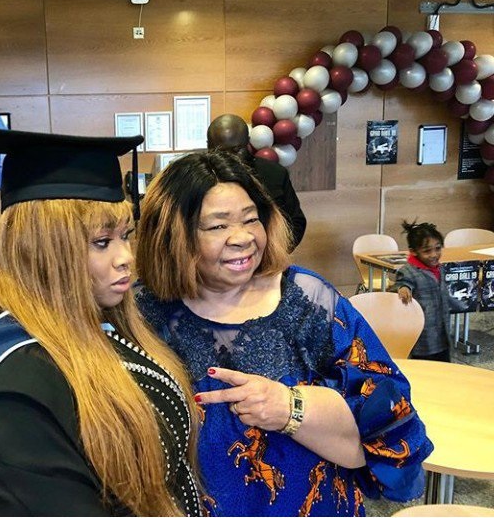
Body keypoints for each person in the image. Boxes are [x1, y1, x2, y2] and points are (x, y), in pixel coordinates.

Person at [0, 129, 201, 517]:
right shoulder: (15, 400)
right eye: (102, 242)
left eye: (126, 236)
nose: (126, 257)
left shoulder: (97, 325)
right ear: (43, 251)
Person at [135, 149, 433, 517]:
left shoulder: (306, 300)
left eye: (251, 219)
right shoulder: (142, 314)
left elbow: (390, 419)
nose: (243, 237)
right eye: (217, 226)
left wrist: (290, 407)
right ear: (172, 234)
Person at [207, 114, 306, 250]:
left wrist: (273, 252)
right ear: (209, 147)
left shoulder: (274, 173)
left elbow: (296, 222)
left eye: (236, 150)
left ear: (248, 142)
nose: (231, 158)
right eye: (222, 152)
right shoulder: (199, 180)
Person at [395, 220, 464, 363]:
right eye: (427, 251)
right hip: (423, 336)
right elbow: (403, 282)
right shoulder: (408, 271)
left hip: (442, 331)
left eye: (438, 248)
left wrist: (459, 304)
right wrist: (404, 288)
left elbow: (443, 293)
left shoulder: (439, 268)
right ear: (413, 251)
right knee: (425, 368)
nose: (434, 254)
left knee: (444, 366)